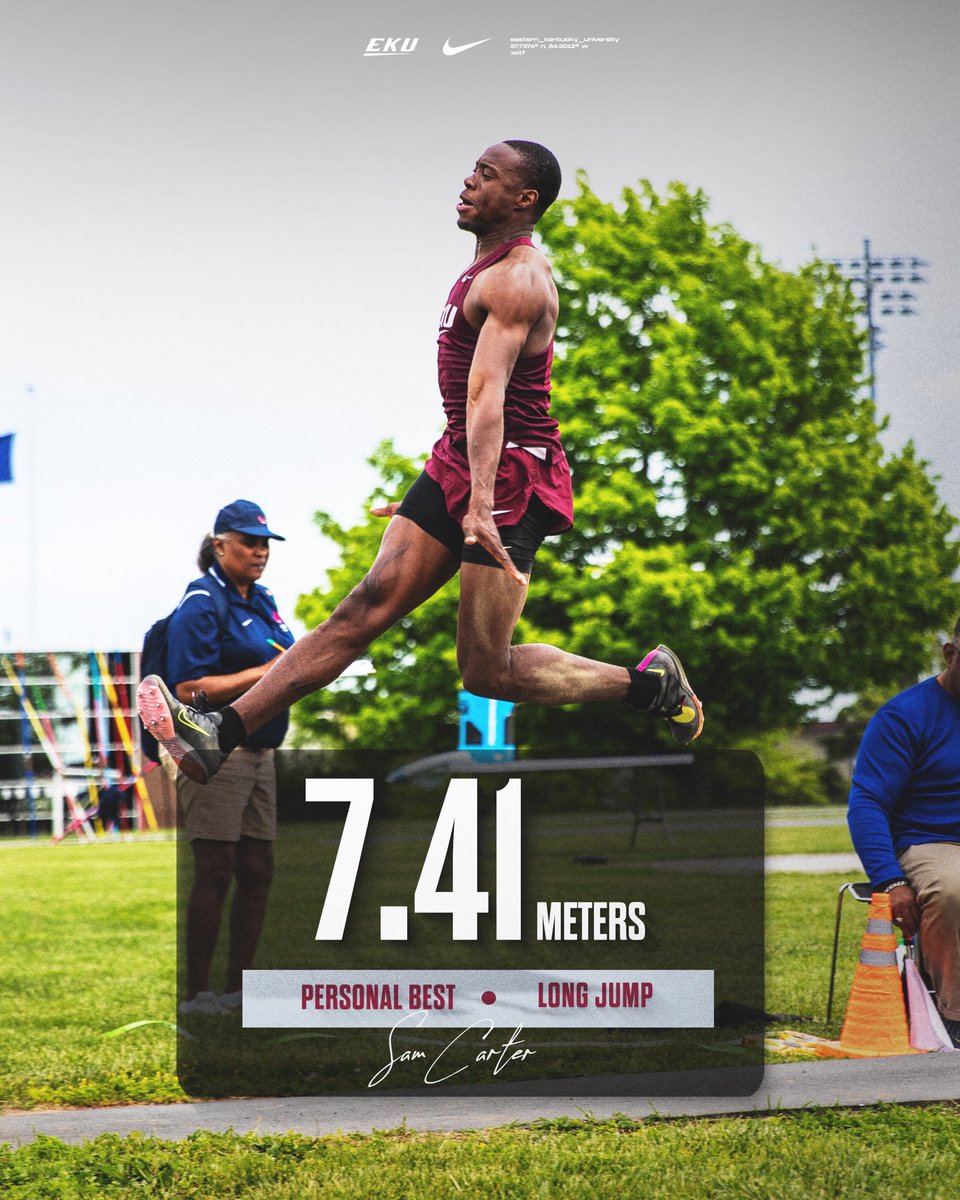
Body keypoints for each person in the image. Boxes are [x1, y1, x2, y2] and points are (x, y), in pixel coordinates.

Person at [138, 140, 703, 793]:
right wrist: (431, 489)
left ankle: (649, 684)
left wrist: (479, 501)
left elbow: (490, 398)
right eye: (472, 169)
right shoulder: (481, 271)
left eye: (487, 175)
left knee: (485, 672)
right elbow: (472, 407)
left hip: (511, 475)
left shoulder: (517, 278)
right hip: (459, 462)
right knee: (361, 610)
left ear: (525, 200)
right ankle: (218, 734)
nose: (468, 181)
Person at [151, 499, 295, 1014]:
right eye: (249, 542)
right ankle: (197, 995)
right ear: (219, 545)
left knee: (259, 868)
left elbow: (287, 658)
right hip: (216, 749)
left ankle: (240, 992)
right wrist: (266, 673)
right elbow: (188, 687)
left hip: (261, 750)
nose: (259, 552)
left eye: (264, 544)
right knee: (216, 868)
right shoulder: (201, 602)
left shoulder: (263, 601)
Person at [847, 618, 960, 1045]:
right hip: (929, 840)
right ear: (950, 654)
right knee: (954, 890)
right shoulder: (903, 716)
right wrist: (891, 879)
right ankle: (955, 1015)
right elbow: (867, 803)